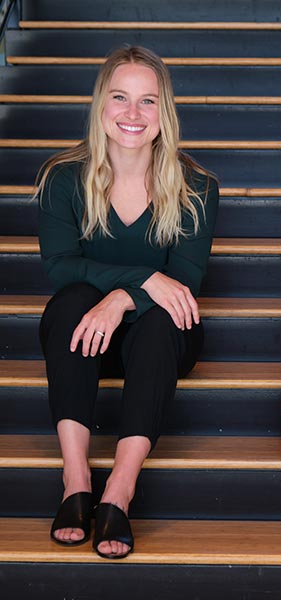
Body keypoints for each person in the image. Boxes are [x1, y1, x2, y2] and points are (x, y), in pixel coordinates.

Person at [36, 46, 219, 559]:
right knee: (72, 300)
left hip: (161, 340)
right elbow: (60, 267)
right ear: (101, 104)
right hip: (85, 334)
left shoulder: (197, 186)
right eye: (120, 98)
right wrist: (136, 283)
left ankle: (120, 487)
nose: (132, 115)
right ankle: (76, 480)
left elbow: (181, 283)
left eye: (147, 101)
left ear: (165, 112)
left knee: (162, 316)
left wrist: (121, 296)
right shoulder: (62, 178)